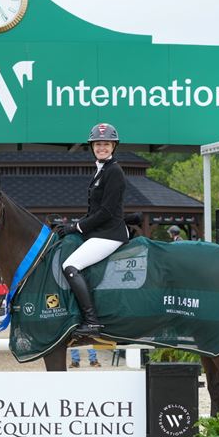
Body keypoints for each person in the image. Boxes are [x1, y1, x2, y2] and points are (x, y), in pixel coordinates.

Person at [57, 122, 129, 337]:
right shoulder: (102, 170)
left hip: (110, 234)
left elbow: (106, 212)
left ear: (113, 146)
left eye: (106, 144)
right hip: (100, 232)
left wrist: (76, 226)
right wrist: (72, 227)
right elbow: (94, 210)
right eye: (98, 144)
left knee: (70, 265)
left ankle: (92, 321)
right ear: (92, 147)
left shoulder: (114, 171)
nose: (101, 148)